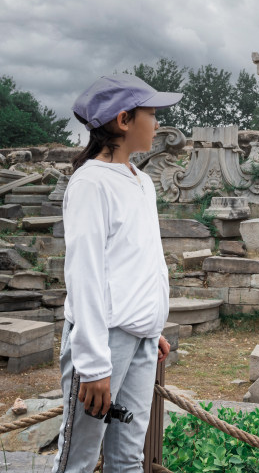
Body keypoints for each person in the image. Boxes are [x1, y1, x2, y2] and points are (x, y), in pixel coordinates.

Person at [52, 74, 183, 473]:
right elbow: (85, 274)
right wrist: (92, 364)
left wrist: (149, 324)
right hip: (101, 341)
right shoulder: (91, 183)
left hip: (140, 339)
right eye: (152, 113)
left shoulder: (141, 181)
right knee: (79, 457)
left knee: (129, 458)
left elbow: (137, 260)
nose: (157, 122)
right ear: (124, 120)